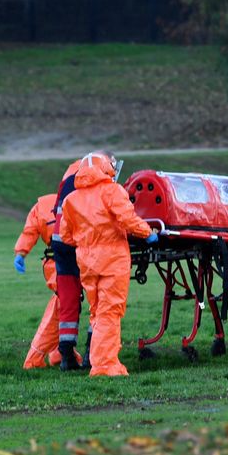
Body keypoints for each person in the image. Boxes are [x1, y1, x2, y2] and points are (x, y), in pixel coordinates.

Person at [58, 151, 157, 377]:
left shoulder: (71, 199)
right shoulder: (112, 191)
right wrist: (147, 233)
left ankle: (98, 360)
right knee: (110, 311)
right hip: (112, 260)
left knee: (97, 311)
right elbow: (128, 219)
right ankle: (104, 365)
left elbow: (66, 235)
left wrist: (86, 243)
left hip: (87, 262)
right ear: (105, 168)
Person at [13, 192, 83, 369]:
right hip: (66, 263)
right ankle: (36, 356)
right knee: (62, 307)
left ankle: (59, 353)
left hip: (59, 262)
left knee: (66, 306)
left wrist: (21, 253)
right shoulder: (81, 198)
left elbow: (29, 231)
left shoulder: (42, 205)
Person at [51, 156, 92, 370]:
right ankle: (91, 355)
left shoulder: (67, 180)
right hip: (85, 246)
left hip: (60, 245)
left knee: (68, 300)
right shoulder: (98, 181)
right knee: (99, 300)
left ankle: (66, 356)